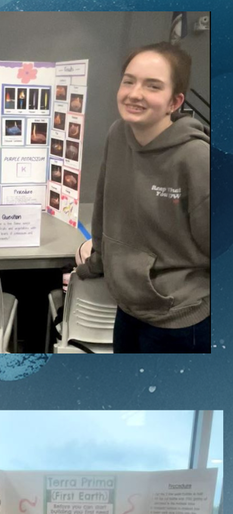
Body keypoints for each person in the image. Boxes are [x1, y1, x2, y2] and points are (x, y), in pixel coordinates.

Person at [76, 42, 209, 353]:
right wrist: (95, 264)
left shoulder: (196, 157)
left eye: (152, 86)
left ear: (174, 101)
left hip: (180, 318)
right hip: (129, 309)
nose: (135, 93)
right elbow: (104, 211)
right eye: (129, 81)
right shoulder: (117, 134)